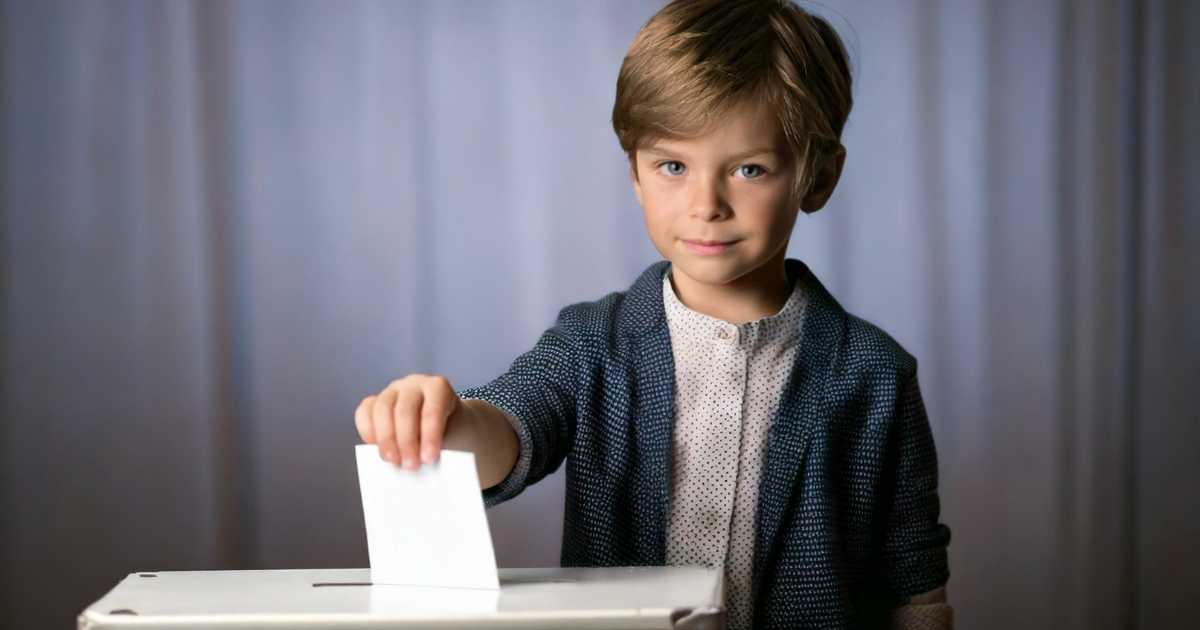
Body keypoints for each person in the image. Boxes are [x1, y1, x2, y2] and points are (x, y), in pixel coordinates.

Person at [354, 1, 952, 627]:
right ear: (636, 175)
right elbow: (515, 424)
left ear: (818, 177)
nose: (706, 205)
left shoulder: (876, 374)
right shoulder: (593, 344)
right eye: (673, 166)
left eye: (749, 169)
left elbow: (912, 582)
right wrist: (447, 426)